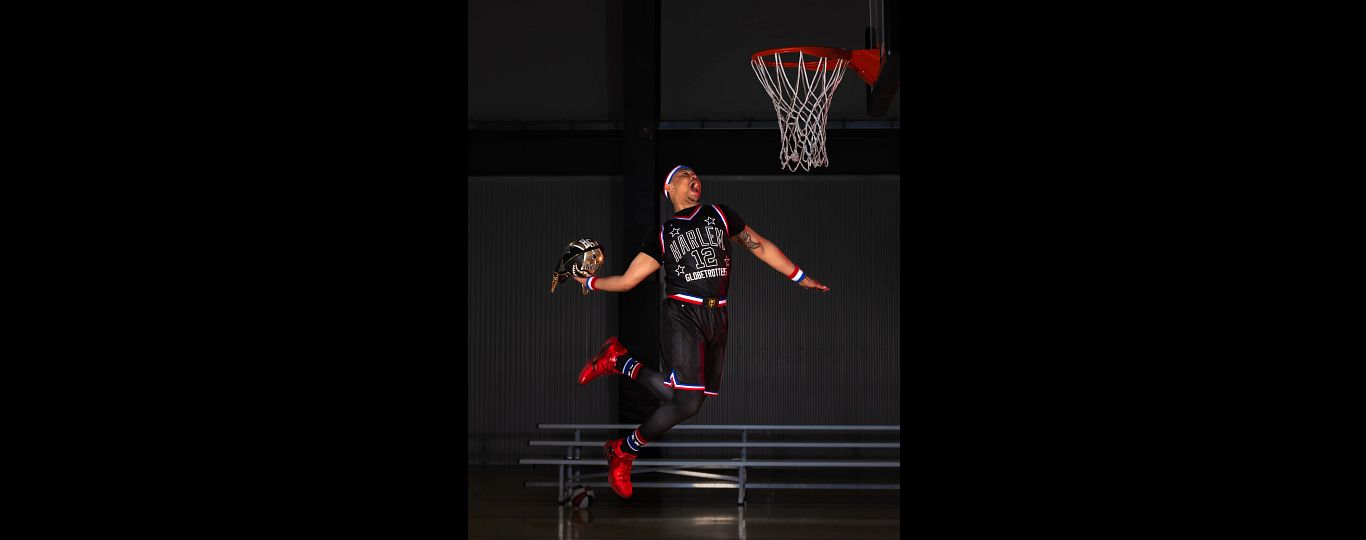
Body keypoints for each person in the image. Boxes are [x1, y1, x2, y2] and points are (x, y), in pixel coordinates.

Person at [572, 165, 829, 498]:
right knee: (688, 402)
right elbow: (627, 281)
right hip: (683, 313)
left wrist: (799, 276)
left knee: (684, 400)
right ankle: (623, 450)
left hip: (717, 315)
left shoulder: (719, 215)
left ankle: (618, 361)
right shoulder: (664, 234)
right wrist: (591, 282)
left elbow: (760, 246)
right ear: (669, 188)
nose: (694, 178)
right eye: (685, 174)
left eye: (696, 174)